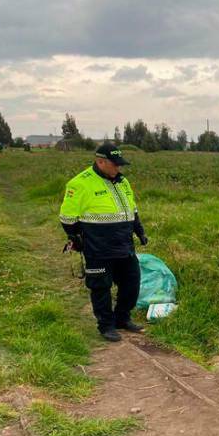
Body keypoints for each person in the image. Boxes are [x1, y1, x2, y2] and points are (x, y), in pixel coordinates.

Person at [59, 143, 148, 342]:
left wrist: (139, 231)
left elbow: (132, 210)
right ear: (100, 161)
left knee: (131, 283)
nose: (119, 168)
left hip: (124, 244)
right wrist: (76, 238)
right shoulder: (80, 183)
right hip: (97, 246)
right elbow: (67, 216)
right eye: (115, 164)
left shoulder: (122, 182)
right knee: (101, 287)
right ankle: (106, 325)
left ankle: (122, 318)